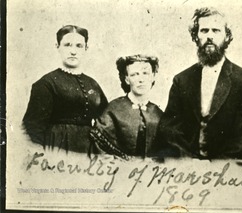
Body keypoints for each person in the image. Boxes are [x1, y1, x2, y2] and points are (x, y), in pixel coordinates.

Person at [156, 7, 242, 162]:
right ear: (196, 36)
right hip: (188, 168)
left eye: (216, 31)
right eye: (204, 31)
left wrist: (214, 167)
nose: (209, 36)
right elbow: (170, 128)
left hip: (227, 170)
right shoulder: (181, 80)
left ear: (227, 36)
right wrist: (189, 162)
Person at [23, 25, 108, 154]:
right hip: (57, 148)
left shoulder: (93, 84)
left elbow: (107, 121)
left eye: (79, 46)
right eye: (67, 45)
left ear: (86, 48)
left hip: (89, 150)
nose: (73, 51)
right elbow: (32, 128)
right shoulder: (46, 83)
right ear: (57, 47)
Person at [90, 55, 163, 159]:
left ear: (153, 77)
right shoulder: (113, 110)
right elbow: (100, 149)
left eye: (145, 73)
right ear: (127, 79)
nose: (140, 79)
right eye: (134, 75)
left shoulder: (158, 113)